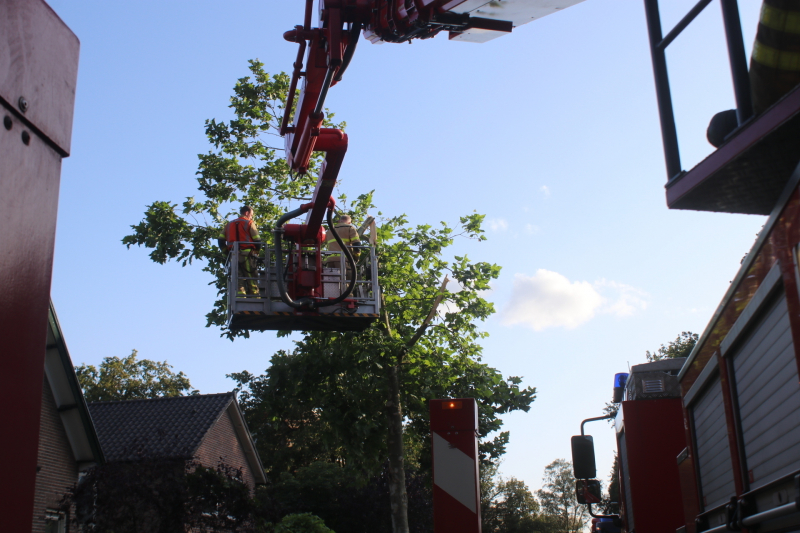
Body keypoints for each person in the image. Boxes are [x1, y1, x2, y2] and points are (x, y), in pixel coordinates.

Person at [219, 206, 261, 297]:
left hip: (234, 255)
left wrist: (227, 253)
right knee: (252, 278)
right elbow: (257, 240)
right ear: (247, 213)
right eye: (251, 215)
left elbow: (220, 240)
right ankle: (256, 299)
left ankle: (241, 298)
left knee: (238, 279)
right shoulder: (249, 223)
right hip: (247, 255)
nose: (251, 217)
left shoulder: (228, 225)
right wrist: (257, 251)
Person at [324, 214, 360, 278]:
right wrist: (356, 257)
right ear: (349, 222)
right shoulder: (350, 228)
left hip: (330, 261)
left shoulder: (329, 231)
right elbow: (356, 245)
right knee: (346, 282)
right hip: (343, 260)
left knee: (332, 283)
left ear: (339, 221)